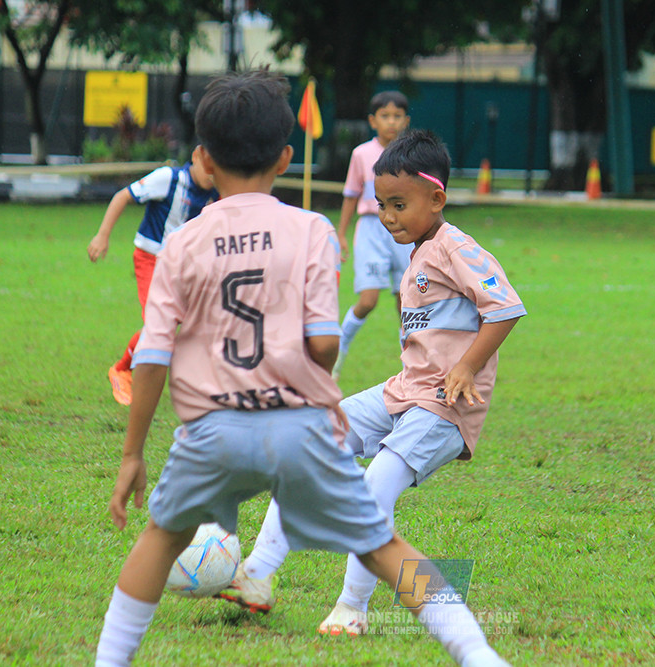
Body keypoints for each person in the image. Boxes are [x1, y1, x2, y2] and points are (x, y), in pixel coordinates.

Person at [94, 71, 508, 667]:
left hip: (210, 427)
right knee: (383, 545)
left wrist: (133, 454)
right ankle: (477, 654)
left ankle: (111, 659)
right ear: (287, 157)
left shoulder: (182, 241)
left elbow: (153, 355)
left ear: (204, 160)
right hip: (295, 421)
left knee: (159, 540)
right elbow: (322, 345)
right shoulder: (310, 228)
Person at [217, 129, 526, 638]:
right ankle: (256, 574)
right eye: (381, 205)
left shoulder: (457, 247)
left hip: (445, 407)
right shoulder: (415, 258)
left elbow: (506, 308)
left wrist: (467, 365)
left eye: (399, 205)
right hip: (404, 391)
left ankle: (352, 607)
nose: (387, 217)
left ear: (437, 198)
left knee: (376, 482)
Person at [87, 146, 217, 406]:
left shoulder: (217, 192)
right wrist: (102, 235)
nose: (212, 173)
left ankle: (201, 384)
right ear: (196, 156)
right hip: (151, 260)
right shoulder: (168, 178)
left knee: (196, 323)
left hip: (184, 267)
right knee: (159, 323)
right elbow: (122, 196)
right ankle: (122, 369)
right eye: (209, 165)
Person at [331, 91, 413, 379]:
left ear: (406, 121)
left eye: (397, 116)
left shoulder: (411, 155)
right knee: (368, 301)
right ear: (372, 121)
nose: (391, 122)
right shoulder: (361, 154)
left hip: (403, 229)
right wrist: (341, 233)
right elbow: (351, 195)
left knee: (407, 299)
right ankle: (337, 354)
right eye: (385, 116)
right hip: (370, 229)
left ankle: (412, 366)